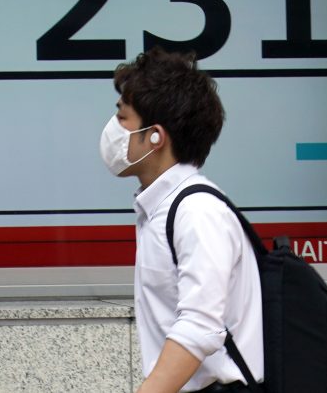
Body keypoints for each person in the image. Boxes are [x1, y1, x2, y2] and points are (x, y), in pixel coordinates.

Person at [99, 47, 264, 393]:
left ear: (155, 136)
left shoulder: (197, 212)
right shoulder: (162, 209)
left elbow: (199, 327)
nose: (113, 129)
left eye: (123, 117)